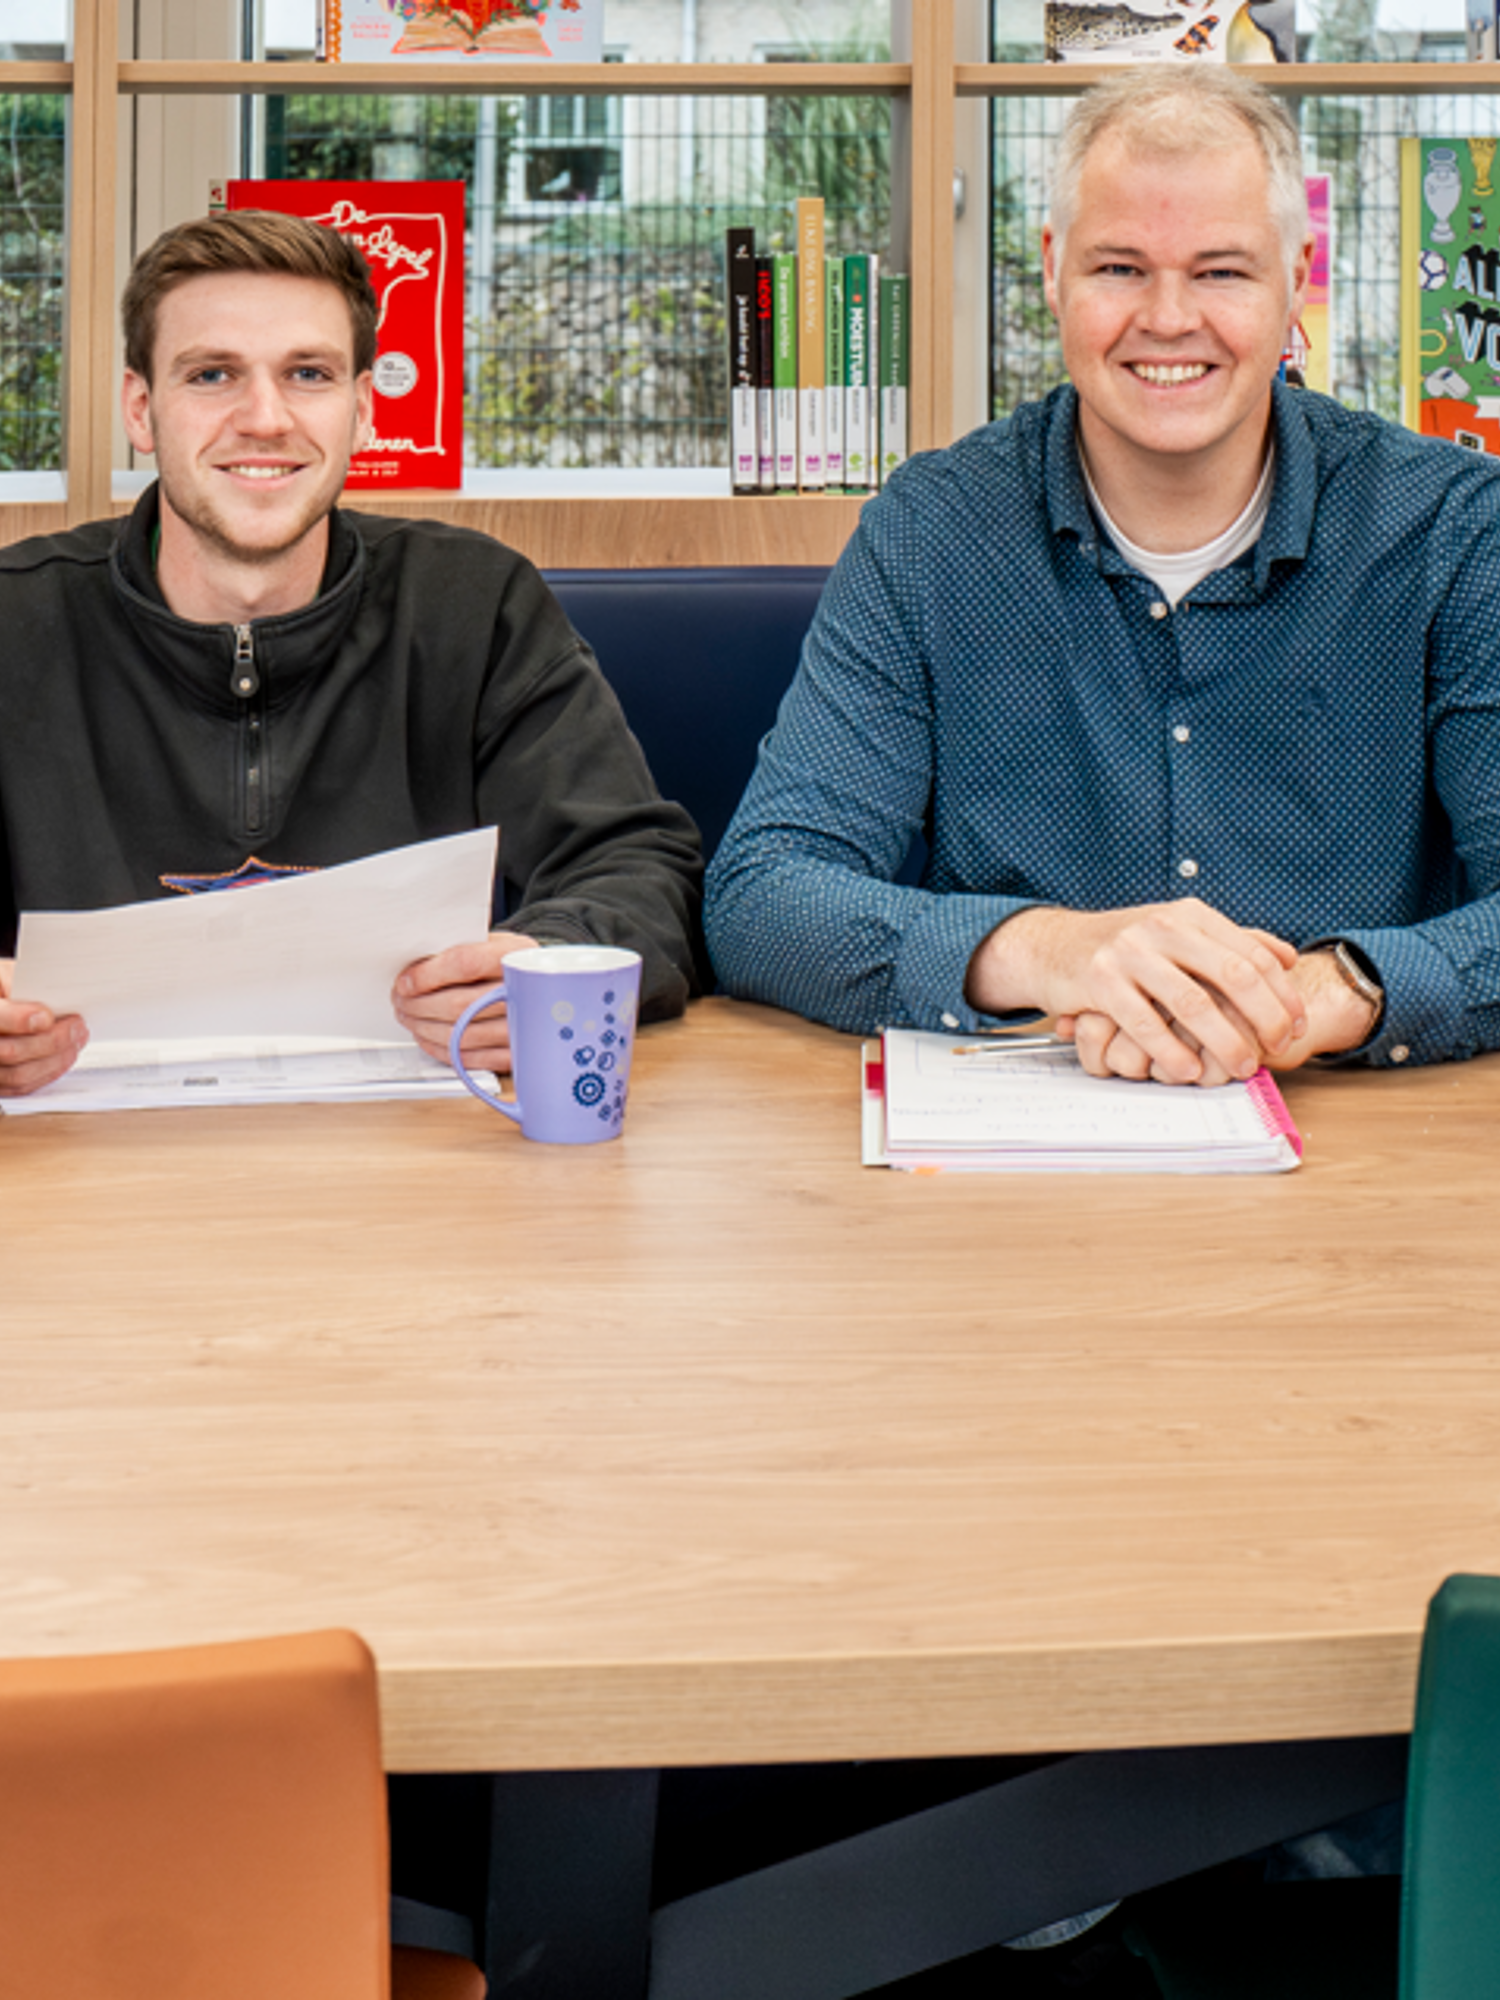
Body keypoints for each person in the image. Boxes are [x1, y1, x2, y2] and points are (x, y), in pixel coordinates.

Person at [706, 64, 1500, 1087]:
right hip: (1018, 1140)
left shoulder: (1453, 531)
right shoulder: (931, 531)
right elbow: (761, 894)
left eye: (1221, 272)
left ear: (1297, 276)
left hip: (1358, 1142)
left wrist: (1327, 992)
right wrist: (1049, 951)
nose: (1168, 318)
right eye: (1120, 268)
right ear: (1052, 271)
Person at [0, 209, 705, 1097]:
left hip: (418, 1152)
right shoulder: (15, 621)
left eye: (309, 374)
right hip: (66, 1156)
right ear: (141, 409)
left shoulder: (474, 605)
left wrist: (542, 963)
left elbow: (639, 869)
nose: (265, 419)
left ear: (362, 409)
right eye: (213, 374)